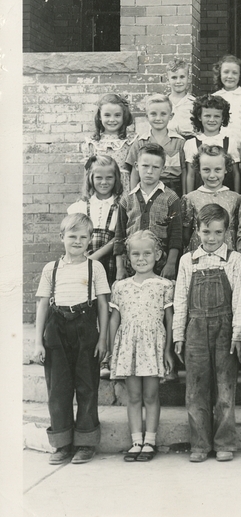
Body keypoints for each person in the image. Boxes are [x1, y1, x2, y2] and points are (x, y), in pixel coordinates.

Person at [34, 213, 110, 465]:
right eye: (72, 236)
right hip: (56, 329)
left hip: (86, 327)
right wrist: (37, 341)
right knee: (58, 388)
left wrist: (102, 339)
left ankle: (86, 443)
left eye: (83, 237)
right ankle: (62, 443)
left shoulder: (95, 267)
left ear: (90, 240)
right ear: (62, 238)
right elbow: (43, 305)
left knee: (87, 385)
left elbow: (102, 304)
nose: (77, 241)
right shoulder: (51, 269)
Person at [172, 204, 241, 463]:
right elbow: (180, 300)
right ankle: (200, 444)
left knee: (225, 388)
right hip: (195, 328)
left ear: (227, 231)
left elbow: (238, 298)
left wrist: (239, 333)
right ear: (197, 230)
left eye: (217, 232)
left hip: (225, 328)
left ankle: (224, 442)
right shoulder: (187, 260)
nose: (212, 238)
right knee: (196, 389)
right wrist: (178, 335)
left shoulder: (234, 259)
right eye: (206, 232)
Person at [107, 230, 175, 462]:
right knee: (133, 395)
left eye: (147, 253)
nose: (141, 258)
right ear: (128, 257)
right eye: (135, 254)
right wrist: (111, 348)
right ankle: (136, 441)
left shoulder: (164, 285)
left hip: (153, 345)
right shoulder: (121, 286)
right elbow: (114, 320)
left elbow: (169, 319)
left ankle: (150, 441)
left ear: (158, 255)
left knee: (151, 395)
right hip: (128, 346)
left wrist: (168, 350)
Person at [114, 143, 182, 281]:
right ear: (136, 166)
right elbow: (119, 235)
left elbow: (176, 235)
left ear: (163, 169)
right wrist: (120, 267)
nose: (150, 171)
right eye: (145, 166)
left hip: (160, 266)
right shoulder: (127, 200)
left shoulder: (171, 198)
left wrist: (170, 264)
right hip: (132, 265)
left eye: (155, 167)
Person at [68, 154, 123, 288]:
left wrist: (95, 257)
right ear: (90, 178)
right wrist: (84, 257)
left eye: (109, 177)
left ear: (116, 178)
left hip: (109, 260)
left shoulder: (120, 206)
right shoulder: (80, 206)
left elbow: (119, 237)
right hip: (83, 259)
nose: (104, 182)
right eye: (99, 177)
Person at [181, 144, 241, 253]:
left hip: (227, 253)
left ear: (226, 169)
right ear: (199, 170)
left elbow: (239, 230)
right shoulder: (190, 198)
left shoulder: (235, 198)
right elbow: (186, 233)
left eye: (218, 169)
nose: (212, 175)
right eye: (206, 170)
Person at [128, 94, 186, 197]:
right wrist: (133, 196)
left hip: (173, 189)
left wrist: (185, 195)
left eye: (163, 114)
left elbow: (185, 172)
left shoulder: (179, 142)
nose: (158, 118)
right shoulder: (140, 143)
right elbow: (134, 173)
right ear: (147, 116)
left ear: (171, 116)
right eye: (153, 114)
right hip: (147, 189)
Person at [184, 94, 241, 193]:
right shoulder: (191, 143)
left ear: (223, 118)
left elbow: (235, 174)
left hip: (225, 196)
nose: (212, 120)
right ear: (199, 117)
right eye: (207, 116)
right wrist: (188, 198)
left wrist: (237, 196)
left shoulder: (230, 142)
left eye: (217, 116)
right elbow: (191, 175)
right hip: (200, 197)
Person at [84, 93, 137, 194]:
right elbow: (87, 170)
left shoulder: (131, 141)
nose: (112, 120)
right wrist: (87, 192)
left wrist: (133, 195)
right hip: (101, 188)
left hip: (123, 189)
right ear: (100, 116)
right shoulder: (93, 143)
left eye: (117, 115)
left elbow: (135, 170)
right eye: (107, 115)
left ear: (123, 116)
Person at [212, 54, 241, 141]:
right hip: (218, 146)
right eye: (226, 72)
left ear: (240, 75)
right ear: (219, 74)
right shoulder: (214, 97)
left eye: (234, 73)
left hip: (240, 145)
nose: (230, 76)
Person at [165, 58, 196, 139]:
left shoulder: (195, 104)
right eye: (174, 78)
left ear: (188, 78)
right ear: (167, 79)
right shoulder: (162, 103)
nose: (178, 81)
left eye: (182, 77)